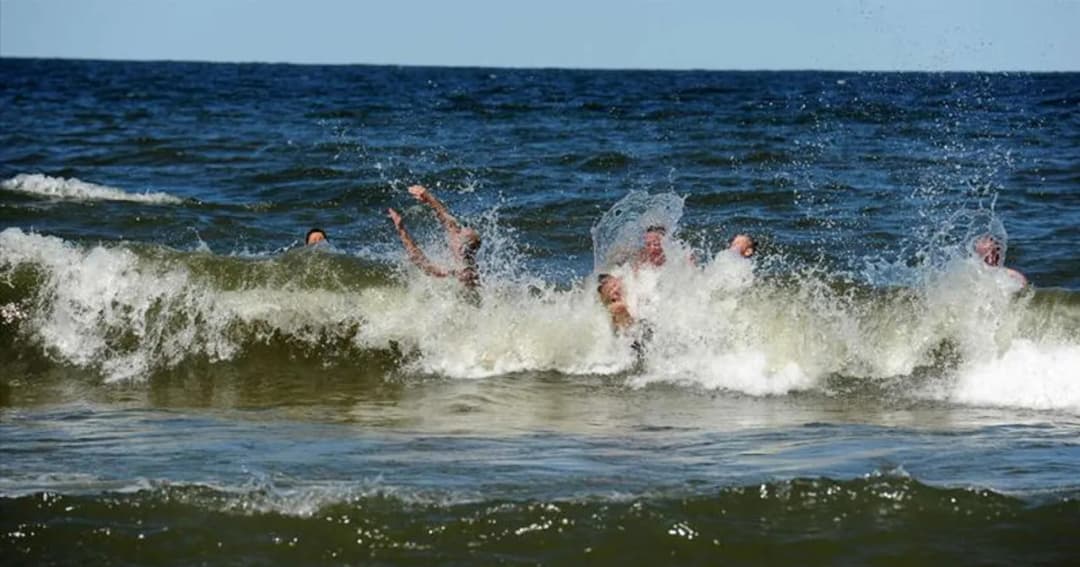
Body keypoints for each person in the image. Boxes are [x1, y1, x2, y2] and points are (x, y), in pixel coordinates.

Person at [388, 185, 480, 289]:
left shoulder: (464, 273)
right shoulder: (464, 264)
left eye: (459, 232)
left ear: (462, 247)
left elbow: (422, 263)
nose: (456, 231)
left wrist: (401, 230)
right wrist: (428, 198)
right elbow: (449, 222)